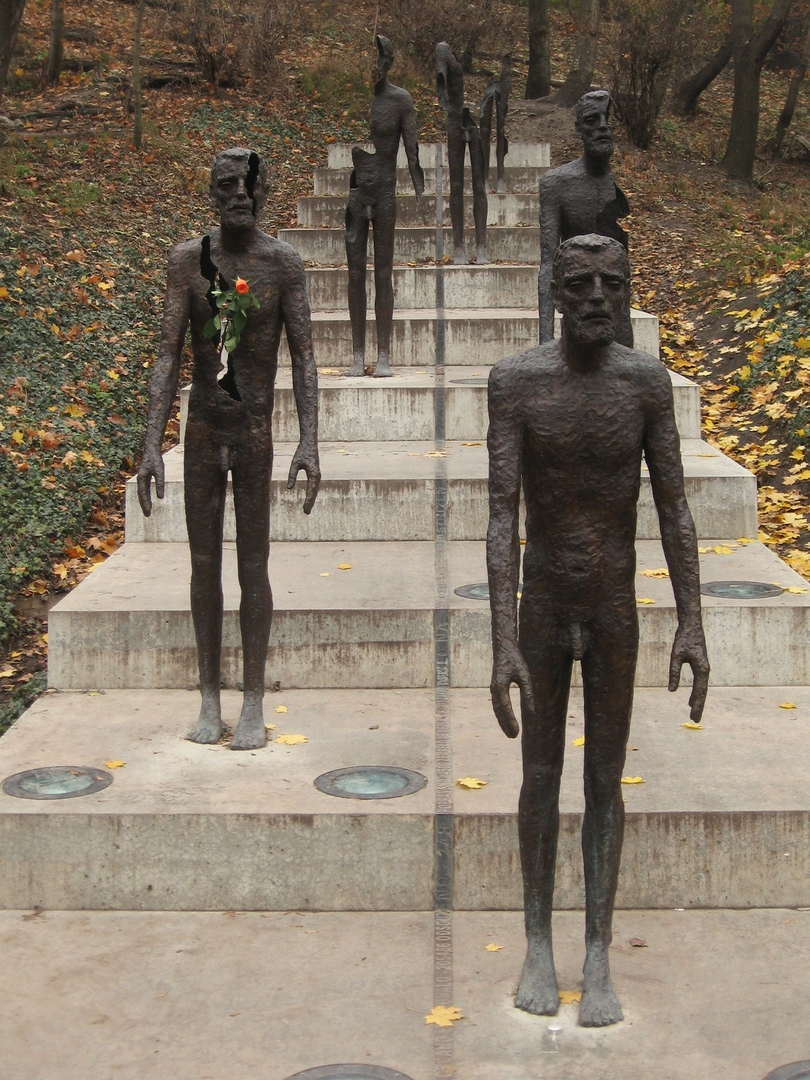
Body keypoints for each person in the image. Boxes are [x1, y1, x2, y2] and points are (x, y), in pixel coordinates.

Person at [486, 234, 709, 1027]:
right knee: (540, 777)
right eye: (578, 284)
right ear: (553, 291)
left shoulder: (646, 385)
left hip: (614, 604)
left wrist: (692, 620)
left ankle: (600, 952)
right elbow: (501, 513)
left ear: (627, 291)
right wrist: (502, 635)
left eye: (611, 285)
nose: (594, 299)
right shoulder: (515, 383)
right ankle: (539, 944)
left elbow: (675, 505)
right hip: (544, 603)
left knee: (605, 781)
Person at [137, 147, 320, 751]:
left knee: (252, 567)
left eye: (249, 183)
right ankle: (209, 695)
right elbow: (167, 356)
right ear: (212, 195)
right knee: (202, 565)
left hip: (254, 433)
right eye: (227, 185)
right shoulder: (188, 263)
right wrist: (150, 444)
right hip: (204, 432)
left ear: (264, 191)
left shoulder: (282, 264)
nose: (239, 193)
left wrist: (310, 441)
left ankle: (253, 700)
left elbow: (303, 355)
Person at [346, 34, 424, 378]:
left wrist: (419, 182)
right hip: (358, 192)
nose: (373, 68)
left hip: (385, 194)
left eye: (378, 60)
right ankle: (356, 353)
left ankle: (382, 354)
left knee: (382, 274)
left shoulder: (400, 100)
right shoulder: (360, 99)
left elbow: (412, 146)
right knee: (355, 274)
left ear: (387, 61)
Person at [538, 91, 632, 347]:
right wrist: (545, 338)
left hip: (612, 299)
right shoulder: (556, 183)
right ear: (579, 130)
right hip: (577, 299)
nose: (603, 126)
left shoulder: (614, 187)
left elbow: (623, 268)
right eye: (592, 120)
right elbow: (548, 262)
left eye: (606, 118)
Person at [436, 41, 488, 265]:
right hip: (455, 121)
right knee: (456, 185)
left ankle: (481, 246)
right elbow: (441, 78)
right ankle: (458, 246)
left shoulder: (458, 54)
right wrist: (445, 103)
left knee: (479, 185)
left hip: (475, 123)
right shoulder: (443, 49)